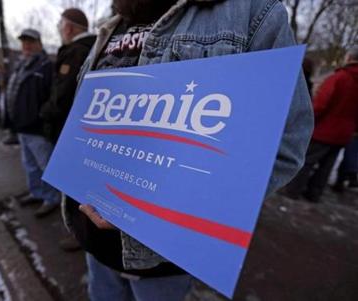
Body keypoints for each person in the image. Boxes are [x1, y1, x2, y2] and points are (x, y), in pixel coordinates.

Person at [61, 1, 314, 300]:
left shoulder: (251, 12)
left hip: (160, 262)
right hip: (93, 244)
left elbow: (286, 141)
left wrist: (149, 209)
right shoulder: (111, 24)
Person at [41, 8, 96, 251]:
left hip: (70, 131)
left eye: (60, 25)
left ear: (69, 28)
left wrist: (44, 113)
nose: (59, 30)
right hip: (82, 131)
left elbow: (62, 96)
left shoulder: (76, 52)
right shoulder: (91, 47)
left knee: (77, 186)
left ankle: (81, 234)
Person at [284, 46, 358, 203]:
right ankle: (314, 193)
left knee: (307, 160)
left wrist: (308, 120)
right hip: (344, 133)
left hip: (325, 129)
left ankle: (293, 190)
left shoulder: (339, 78)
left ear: (350, 57)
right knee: (327, 165)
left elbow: (321, 104)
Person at [6, 28, 61, 218]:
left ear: (39, 43)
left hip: (37, 128)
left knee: (46, 166)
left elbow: (53, 98)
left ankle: (52, 198)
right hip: (22, 126)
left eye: (30, 41)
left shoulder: (47, 66)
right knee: (30, 165)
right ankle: (38, 192)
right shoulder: (21, 65)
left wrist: (42, 119)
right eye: (23, 42)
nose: (26, 45)